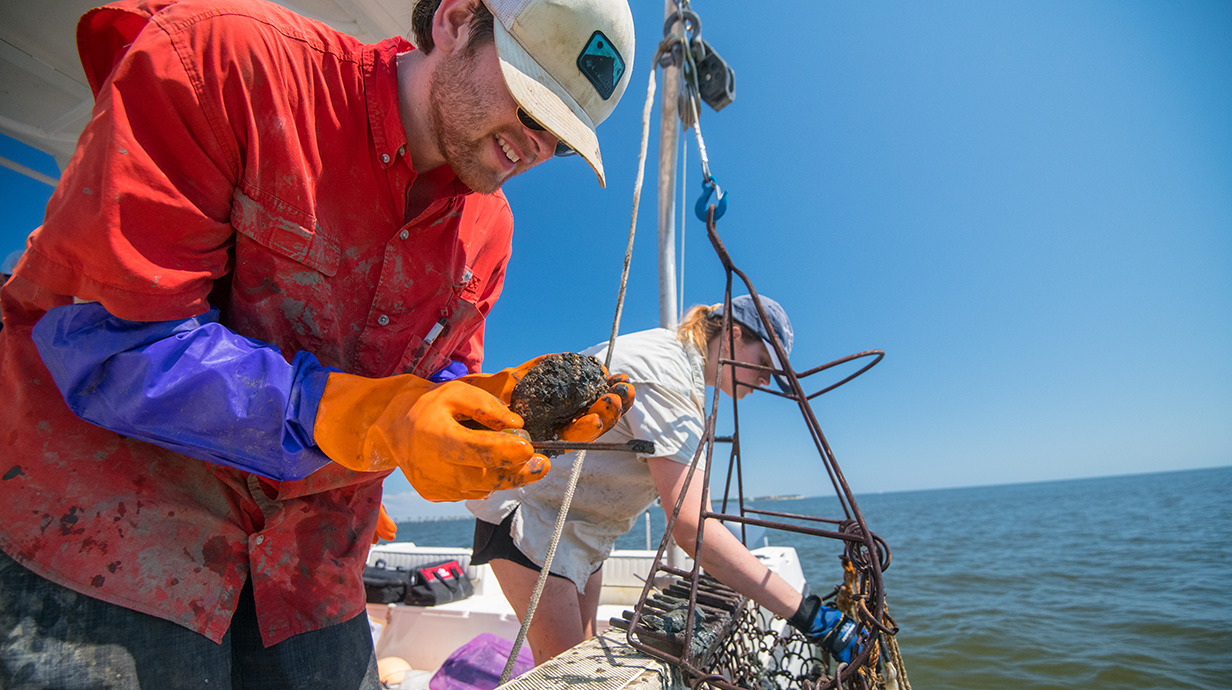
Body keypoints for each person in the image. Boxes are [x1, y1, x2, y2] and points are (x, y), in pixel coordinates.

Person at [0, 0, 636, 686]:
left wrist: (495, 410)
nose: (538, 143)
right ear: (455, 20)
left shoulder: (490, 232)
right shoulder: (231, 62)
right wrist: (370, 417)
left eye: (562, 137)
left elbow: (438, 382)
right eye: (532, 101)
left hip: (312, 570)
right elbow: (108, 342)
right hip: (110, 534)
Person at [467, 294, 859, 666]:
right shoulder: (666, 377)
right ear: (735, 333)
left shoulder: (673, 365)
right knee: (566, 679)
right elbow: (692, 528)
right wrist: (809, 616)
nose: (766, 381)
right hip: (531, 523)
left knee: (580, 662)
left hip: (579, 534)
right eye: (765, 365)